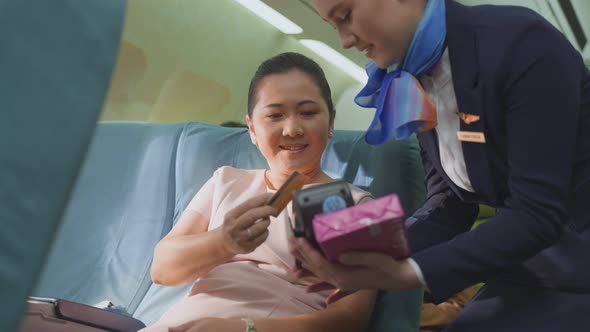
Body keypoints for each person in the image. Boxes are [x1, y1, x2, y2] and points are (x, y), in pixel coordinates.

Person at [291, 0, 590, 331]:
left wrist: (407, 272)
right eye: (334, 26)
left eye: (345, 16)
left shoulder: (519, 43)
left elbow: (536, 211)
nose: (344, 40)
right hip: (529, 262)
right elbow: (450, 204)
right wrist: (364, 249)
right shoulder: (412, 81)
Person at [142, 52, 377, 332]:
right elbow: (162, 269)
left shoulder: (357, 207)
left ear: (331, 123)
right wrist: (223, 242)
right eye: (275, 115)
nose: (292, 129)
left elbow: (351, 319)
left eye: (308, 113)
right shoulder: (225, 181)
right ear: (252, 129)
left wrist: (244, 329)